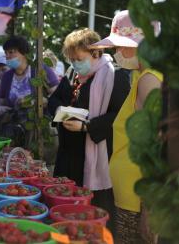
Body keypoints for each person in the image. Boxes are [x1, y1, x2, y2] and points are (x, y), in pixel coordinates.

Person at [90, 10, 162, 244]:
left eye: (123, 46)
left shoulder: (149, 80)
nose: (117, 52)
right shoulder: (142, 77)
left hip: (137, 200)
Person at [48, 28, 130, 232]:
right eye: (71, 59)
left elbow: (119, 116)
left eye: (78, 58)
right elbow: (55, 99)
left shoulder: (114, 76)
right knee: (66, 206)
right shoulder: (72, 74)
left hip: (94, 155)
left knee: (91, 211)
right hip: (68, 155)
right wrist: (61, 112)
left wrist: (86, 126)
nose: (75, 63)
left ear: (96, 53)